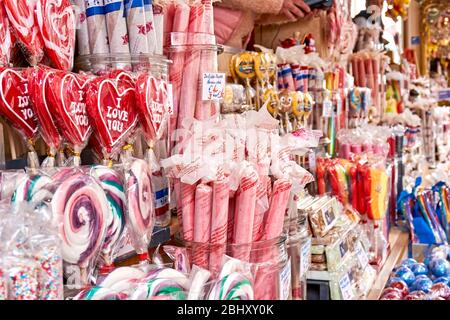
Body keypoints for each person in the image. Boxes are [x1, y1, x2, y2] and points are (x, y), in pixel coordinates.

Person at [214, 0, 317, 49]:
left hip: (228, 47)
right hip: (207, 43)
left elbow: (254, 16)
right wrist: (278, 3)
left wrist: (291, 12)